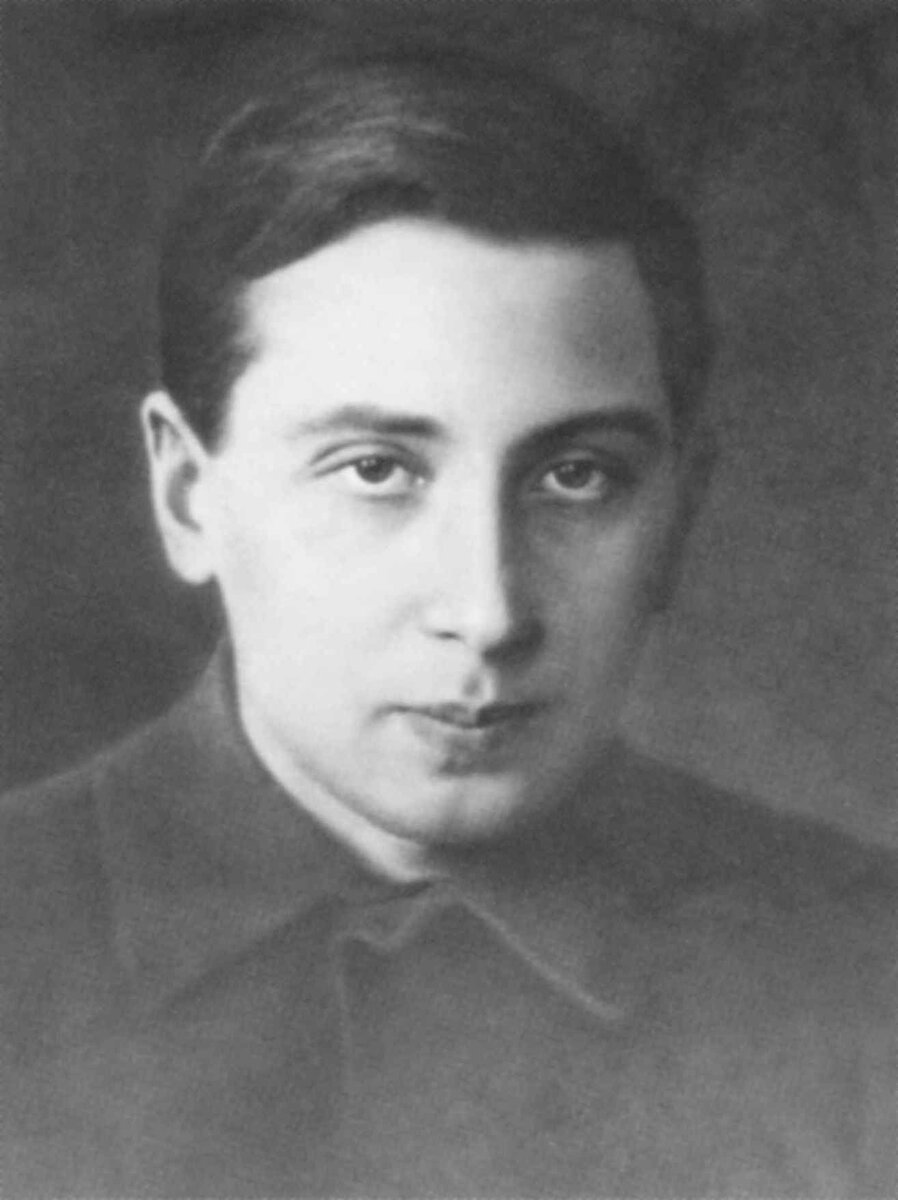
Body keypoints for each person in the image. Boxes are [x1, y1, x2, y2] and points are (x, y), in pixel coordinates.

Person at [1, 48, 894, 1200]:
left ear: (681, 511)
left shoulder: (863, 969)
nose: (487, 611)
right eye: (374, 469)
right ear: (186, 495)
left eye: (576, 476)